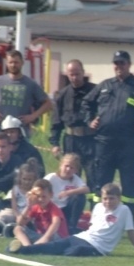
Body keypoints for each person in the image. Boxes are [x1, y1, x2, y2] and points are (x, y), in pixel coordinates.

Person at [83, 51, 134, 223]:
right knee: (101, 184)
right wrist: (90, 120)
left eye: (122, 63)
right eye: (116, 63)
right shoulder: (105, 85)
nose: (119, 67)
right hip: (104, 143)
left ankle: (128, 222)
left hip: (129, 144)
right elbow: (87, 103)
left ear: (129, 64)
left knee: (129, 185)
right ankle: (98, 220)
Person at [8, 183, 134, 258]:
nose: (108, 201)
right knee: (55, 246)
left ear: (119, 198)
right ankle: (22, 250)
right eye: (105, 198)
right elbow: (92, 227)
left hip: (98, 247)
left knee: (72, 252)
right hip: (83, 237)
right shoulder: (98, 207)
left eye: (112, 198)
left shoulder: (124, 211)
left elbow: (131, 234)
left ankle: (23, 249)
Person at [49, 59, 97, 204]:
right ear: (67, 75)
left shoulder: (95, 91)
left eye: (77, 74)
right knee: (71, 178)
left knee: (92, 177)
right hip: (71, 140)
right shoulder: (62, 95)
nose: (74, 77)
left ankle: (95, 212)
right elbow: (56, 121)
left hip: (90, 140)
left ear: (83, 72)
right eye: (71, 74)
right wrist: (55, 143)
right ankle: (72, 215)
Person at [0, 50, 53, 136]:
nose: (13, 65)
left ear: (22, 63)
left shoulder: (30, 84)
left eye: (16, 62)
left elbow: (48, 104)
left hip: (21, 131)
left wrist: (33, 116)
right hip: (0, 130)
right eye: (10, 62)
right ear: (6, 63)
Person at [11, 179, 69, 246]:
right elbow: (20, 223)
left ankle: (34, 247)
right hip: (42, 236)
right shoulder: (36, 207)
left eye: (44, 196)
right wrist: (28, 206)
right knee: (17, 229)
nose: (40, 199)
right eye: (38, 196)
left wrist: (45, 239)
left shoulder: (54, 209)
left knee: (52, 235)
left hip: (56, 238)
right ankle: (27, 246)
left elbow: (55, 225)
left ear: (51, 195)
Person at [45, 153, 89, 235]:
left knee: (79, 197)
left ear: (75, 170)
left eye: (72, 168)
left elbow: (86, 189)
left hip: (65, 209)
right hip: (52, 208)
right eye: (66, 166)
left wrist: (68, 192)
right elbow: (40, 187)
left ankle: (71, 226)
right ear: (61, 166)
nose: (68, 169)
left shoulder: (74, 179)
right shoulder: (51, 178)